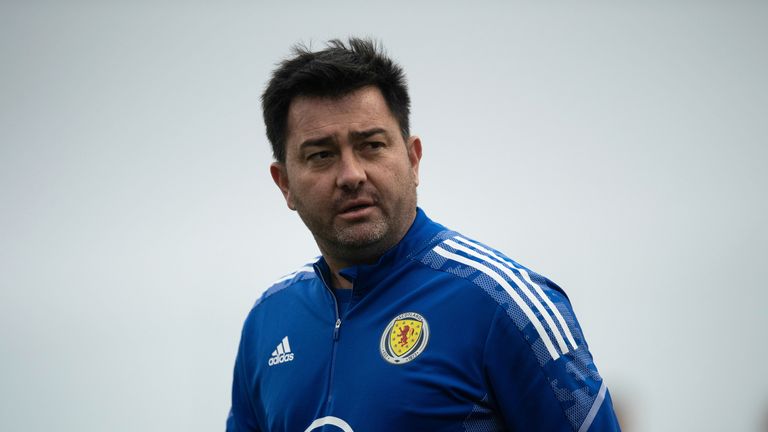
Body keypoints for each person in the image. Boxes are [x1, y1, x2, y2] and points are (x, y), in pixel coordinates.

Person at [227, 38, 621, 432]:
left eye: (371, 146)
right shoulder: (268, 321)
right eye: (321, 155)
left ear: (413, 160)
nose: (351, 175)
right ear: (285, 184)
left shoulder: (503, 304)